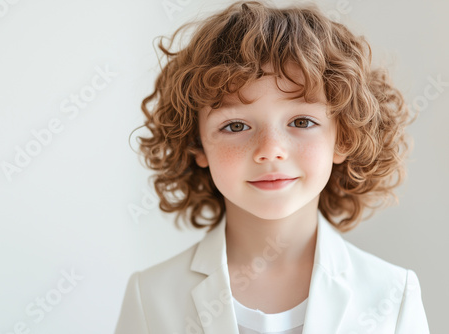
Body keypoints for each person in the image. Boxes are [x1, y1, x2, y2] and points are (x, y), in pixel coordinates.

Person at [115, 1, 430, 333]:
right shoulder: (150, 297)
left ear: (344, 137)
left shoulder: (393, 296)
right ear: (196, 143)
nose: (270, 151)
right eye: (236, 126)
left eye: (302, 121)